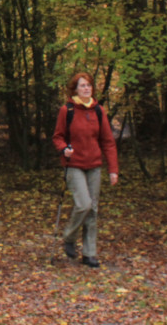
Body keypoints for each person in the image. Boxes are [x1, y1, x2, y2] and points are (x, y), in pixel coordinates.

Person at [52, 72, 119, 267]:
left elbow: (108, 142)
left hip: (94, 165)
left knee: (93, 210)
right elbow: (58, 137)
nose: (86, 88)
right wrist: (64, 149)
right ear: (75, 89)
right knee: (84, 204)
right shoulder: (67, 110)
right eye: (82, 85)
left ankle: (89, 254)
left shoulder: (98, 110)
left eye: (89, 85)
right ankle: (69, 237)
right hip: (73, 165)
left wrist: (113, 170)